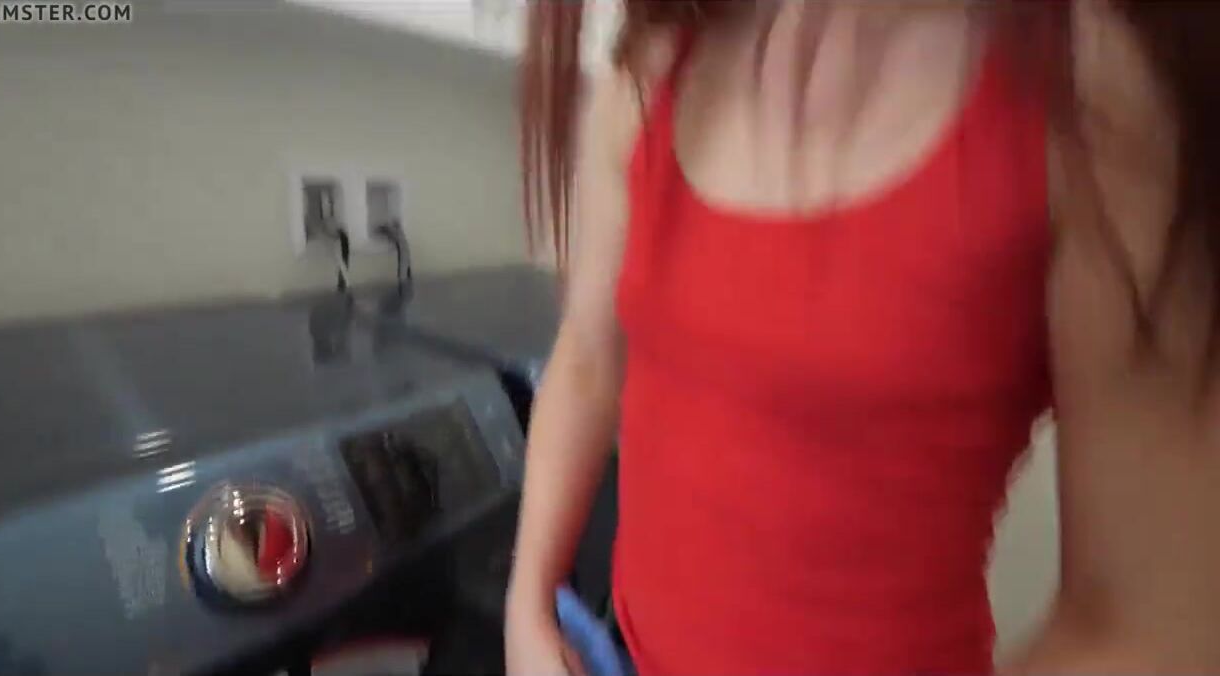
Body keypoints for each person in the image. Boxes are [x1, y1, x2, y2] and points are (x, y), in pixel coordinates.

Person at [508, 1, 1220, 673]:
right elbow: (587, 360)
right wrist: (528, 602)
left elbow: (1163, 631)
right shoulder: (663, 54)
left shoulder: (1097, 93)